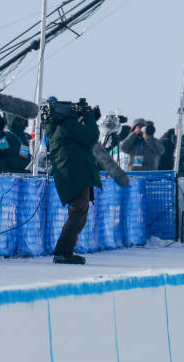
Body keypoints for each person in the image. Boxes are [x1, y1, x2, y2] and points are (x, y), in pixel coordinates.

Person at [43, 97, 102, 265]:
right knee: (77, 214)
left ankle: (66, 251)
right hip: (76, 175)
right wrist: (89, 118)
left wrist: (88, 118)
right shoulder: (67, 125)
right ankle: (62, 253)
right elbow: (91, 136)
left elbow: (81, 138)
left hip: (73, 174)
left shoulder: (60, 126)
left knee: (78, 214)